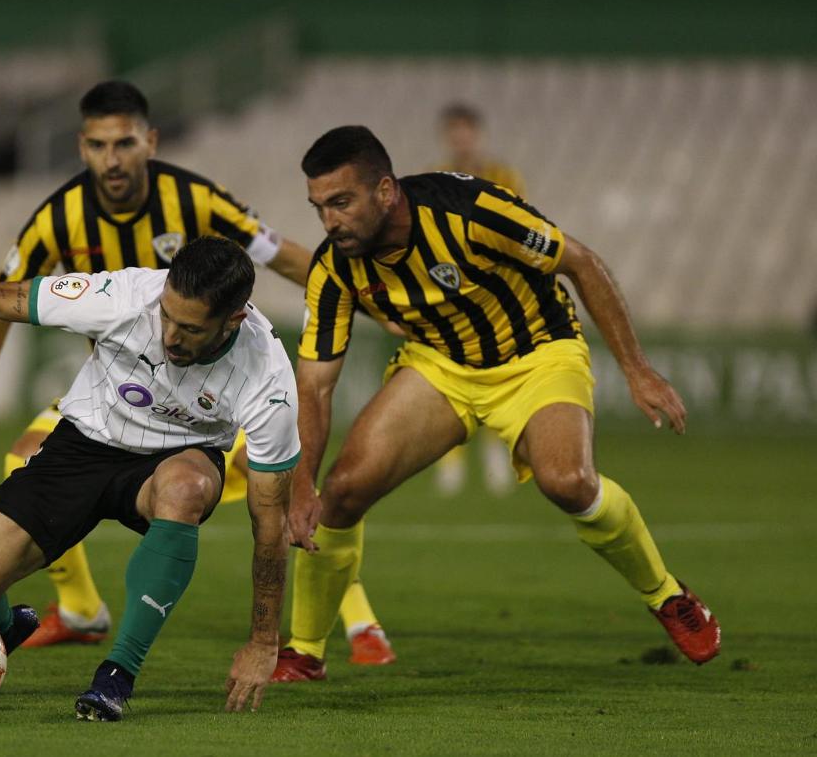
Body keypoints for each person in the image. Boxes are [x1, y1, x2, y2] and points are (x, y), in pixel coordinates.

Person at [0, 80, 396, 666]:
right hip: (118, 395)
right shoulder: (58, 217)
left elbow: (282, 254)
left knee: (284, 494)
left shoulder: (195, 200)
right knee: (23, 456)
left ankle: (356, 622)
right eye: (99, 145)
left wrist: (361, 293)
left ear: (149, 141)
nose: (113, 158)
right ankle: (82, 610)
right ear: (82, 148)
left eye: (125, 143)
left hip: (210, 399)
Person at [272, 125, 721, 682]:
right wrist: (299, 488)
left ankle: (667, 595)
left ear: (385, 191)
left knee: (569, 482)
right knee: (340, 492)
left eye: (341, 203)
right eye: (319, 208)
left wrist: (637, 368)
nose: (330, 222)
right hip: (442, 364)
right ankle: (305, 651)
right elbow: (313, 385)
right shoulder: (334, 266)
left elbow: (581, 262)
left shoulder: (472, 211)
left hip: (538, 352)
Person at [0, 237, 300, 720]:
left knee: (186, 488)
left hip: (175, 459)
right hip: (81, 447)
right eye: (166, 316)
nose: (170, 336)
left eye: (189, 328)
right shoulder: (122, 296)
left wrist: (264, 641)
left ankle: (118, 673)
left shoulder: (267, 375)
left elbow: (269, 522)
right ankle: (5, 628)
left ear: (234, 319)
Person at [430, 101, 527, 498]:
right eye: (454, 131)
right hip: (449, 293)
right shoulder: (433, 180)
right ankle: (449, 460)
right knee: (448, 378)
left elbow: (520, 229)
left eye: (466, 130)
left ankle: (496, 456)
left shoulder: (504, 177)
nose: (461, 138)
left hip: (494, 293)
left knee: (498, 376)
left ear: (477, 134)